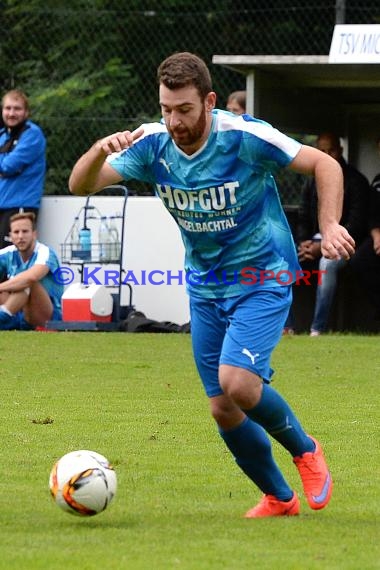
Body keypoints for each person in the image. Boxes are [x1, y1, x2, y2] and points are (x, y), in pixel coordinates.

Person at [69, 52, 355, 518]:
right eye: (166, 109)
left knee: (238, 382)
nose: (174, 121)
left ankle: (305, 449)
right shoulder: (152, 144)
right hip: (205, 287)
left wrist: (329, 224)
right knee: (223, 407)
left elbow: (325, 164)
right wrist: (101, 148)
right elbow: (81, 184)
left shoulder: (243, 136)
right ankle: (279, 499)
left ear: (209, 100)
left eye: (184, 109)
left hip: (263, 274)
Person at [289, 132, 369, 336]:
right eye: (321, 151)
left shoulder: (356, 180)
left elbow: (357, 224)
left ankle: (317, 328)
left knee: (327, 263)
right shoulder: (311, 180)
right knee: (283, 258)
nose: (326, 154)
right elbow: (303, 214)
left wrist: (325, 245)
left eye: (330, 150)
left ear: (340, 150)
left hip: (346, 244)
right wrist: (304, 243)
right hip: (315, 243)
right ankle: (285, 327)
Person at [0, 212, 62, 330]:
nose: (20, 236)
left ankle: (3, 316)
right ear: (10, 235)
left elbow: (31, 278)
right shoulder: (7, 253)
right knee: (12, 286)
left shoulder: (45, 252)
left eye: (25, 231)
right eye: (16, 232)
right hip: (18, 312)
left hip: (47, 318)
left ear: (34, 234)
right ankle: (6, 318)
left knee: (26, 282)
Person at [0, 89, 46, 248]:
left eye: (17, 108)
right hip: (3, 204)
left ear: (26, 112)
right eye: (7, 108)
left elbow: (8, 167)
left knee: (13, 261)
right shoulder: (3, 134)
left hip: (20, 206)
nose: (11, 113)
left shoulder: (32, 134)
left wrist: (4, 162)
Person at [350, 137, 380, 318]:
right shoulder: (378, 181)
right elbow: (373, 214)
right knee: (360, 260)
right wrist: (376, 235)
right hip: (378, 236)